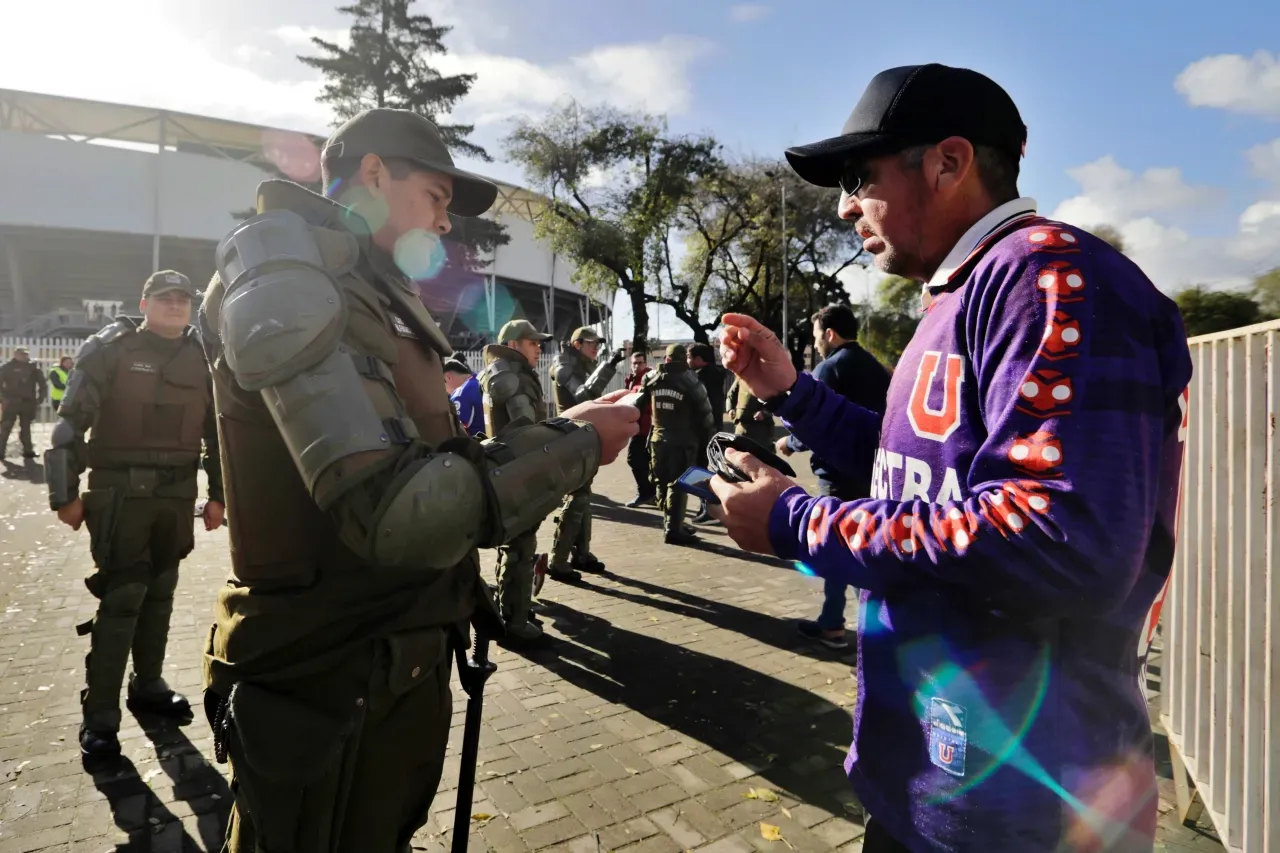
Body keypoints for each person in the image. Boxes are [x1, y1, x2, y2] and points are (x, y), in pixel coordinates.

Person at [711, 64, 1191, 853]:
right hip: (939, 791)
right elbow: (921, 474)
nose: (843, 205)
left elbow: (1056, 537)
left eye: (859, 176)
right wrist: (792, 392)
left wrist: (797, 522)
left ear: (948, 161)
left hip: (1028, 813)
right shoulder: (965, 292)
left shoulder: (1049, 279)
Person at [199, 108, 637, 852]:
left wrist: (570, 426)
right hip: (327, 675)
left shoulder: (367, 287)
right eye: (435, 197)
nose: (444, 220)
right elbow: (400, 512)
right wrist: (578, 446)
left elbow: (441, 458)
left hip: (386, 670)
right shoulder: (286, 274)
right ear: (374, 174)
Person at [44, 270, 224, 758]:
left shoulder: (203, 355)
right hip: (119, 494)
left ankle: (148, 685)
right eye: (163, 298)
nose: (174, 306)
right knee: (123, 599)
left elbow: (216, 434)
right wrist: (65, 496)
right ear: (143, 304)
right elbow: (69, 425)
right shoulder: (110, 349)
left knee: (161, 594)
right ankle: (100, 717)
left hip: (175, 496)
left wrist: (218, 495)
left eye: (182, 299)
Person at [776, 304, 891, 650]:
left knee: (835, 546)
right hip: (872, 472)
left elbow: (815, 420)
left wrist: (789, 442)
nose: (816, 344)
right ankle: (851, 621)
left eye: (816, 337)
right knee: (862, 546)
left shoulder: (829, 368)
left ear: (829, 333)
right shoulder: (876, 367)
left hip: (836, 476)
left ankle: (838, 626)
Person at [478, 319, 555, 645]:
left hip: (509, 466)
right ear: (513, 345)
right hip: (518, 469)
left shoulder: (502, 372)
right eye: (532, 342)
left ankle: (513, 605)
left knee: (516, 545)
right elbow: (526, 431)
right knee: (521, 548)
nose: (538, 348)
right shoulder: (509, 376)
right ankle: (514, 621)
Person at [549, 327, 625, 580]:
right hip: (569, 437)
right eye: (592, 343)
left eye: (598, 344)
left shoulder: (581, 364)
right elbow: (584, 395)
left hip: (583, 436)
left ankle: (581, 553)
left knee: (583, 497)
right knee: (577, 498)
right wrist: (609, 364)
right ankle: (558, 560)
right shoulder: (563, 366)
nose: (597, 348)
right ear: (577, 343)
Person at [635, 345, 714, 545]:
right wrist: (708, 442)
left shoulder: (650, 378)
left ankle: (672, 522)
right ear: (682, 359)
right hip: (682, 440)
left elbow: (637, 403)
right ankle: (673, 528)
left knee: (661, 481)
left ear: (667, 359)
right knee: (678, 484)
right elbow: (706, 417)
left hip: (657, 438)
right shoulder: (691, 381)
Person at [688, 343, 728, 523]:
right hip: (712, 429)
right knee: (705, 469)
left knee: (700, 471)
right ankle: (708, 507)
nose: (687, 361)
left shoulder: (700, 379)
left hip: (703, 431)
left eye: (689, 357)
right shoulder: (714, 375)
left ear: (699, 360)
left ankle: (710, 508)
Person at [0, 345, 47, 460]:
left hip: (28, 402)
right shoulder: (7, 367)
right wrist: (2, 398)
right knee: (6, 427)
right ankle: (1, 451)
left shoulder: (33, 368)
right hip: (11, 402)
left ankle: (28, 450)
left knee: (26, 427)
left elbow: (42, 384)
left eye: (25, 354)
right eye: (21, 354)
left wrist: (40, 399)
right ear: (15, 355)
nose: (24, 356)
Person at [623, 350, 655, 508]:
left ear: (646, 363)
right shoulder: (631, 379)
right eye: (634, 363)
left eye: (640, 362)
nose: (637, 366)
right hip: (637, 427)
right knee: (643, 461)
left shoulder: (650, 378)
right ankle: (650, 493)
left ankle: (646, 493)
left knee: (635, 459)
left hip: (647, 428)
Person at [444, 357, 485, 437]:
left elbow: (456, 431)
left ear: (448, 377)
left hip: (478, 446)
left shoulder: (460, 395)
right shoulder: (479, 380)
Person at [727, 375, 773, 444]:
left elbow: (776, 400)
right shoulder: (741, 377)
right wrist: (730, 409)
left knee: (759, 452)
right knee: (739, 450)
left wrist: (764, 413)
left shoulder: (768, 378)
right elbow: (731, 394)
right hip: (741, 425)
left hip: (759, 427)